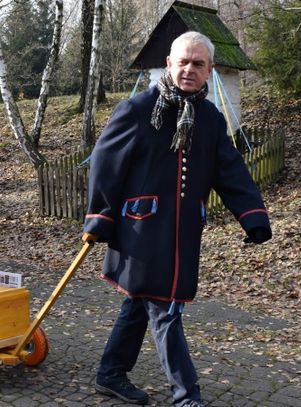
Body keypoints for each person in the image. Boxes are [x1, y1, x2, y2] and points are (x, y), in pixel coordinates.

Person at [83, 31, 272, 407]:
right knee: (165, 308)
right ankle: (187, 396)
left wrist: (253, 216)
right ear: (168, 63)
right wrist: (100, 217)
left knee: (140, 303)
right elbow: (105, 165)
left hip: (183, 233)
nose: (189, 69)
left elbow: (230, 170)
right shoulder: (137, 109)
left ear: (209, 70)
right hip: (141, 233)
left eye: (197, 64)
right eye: (182, 61)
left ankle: (110, 373)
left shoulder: (211, 119)